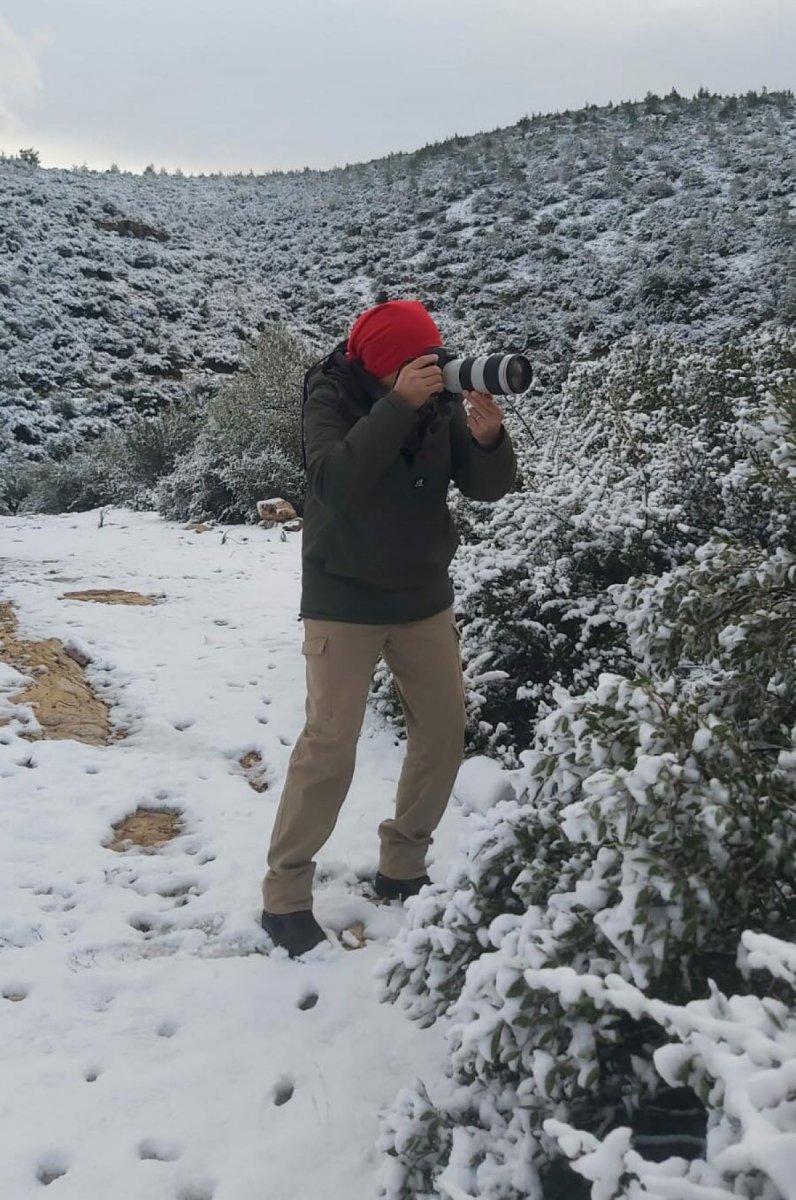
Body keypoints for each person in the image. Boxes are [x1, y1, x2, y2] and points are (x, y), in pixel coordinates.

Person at [260, 298, 517, 956]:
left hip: (422, 594)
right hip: (343, 597)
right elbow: (333, 482)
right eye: (414, 361)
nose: (431, 368)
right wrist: (398, 404)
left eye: (433, 356)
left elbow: (484, 487)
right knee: (329, 745)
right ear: (380, 365)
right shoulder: (331, 393)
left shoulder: (438, 392)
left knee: (443, 732)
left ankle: (403, 863)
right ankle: (285, 894)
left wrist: (489, 440)